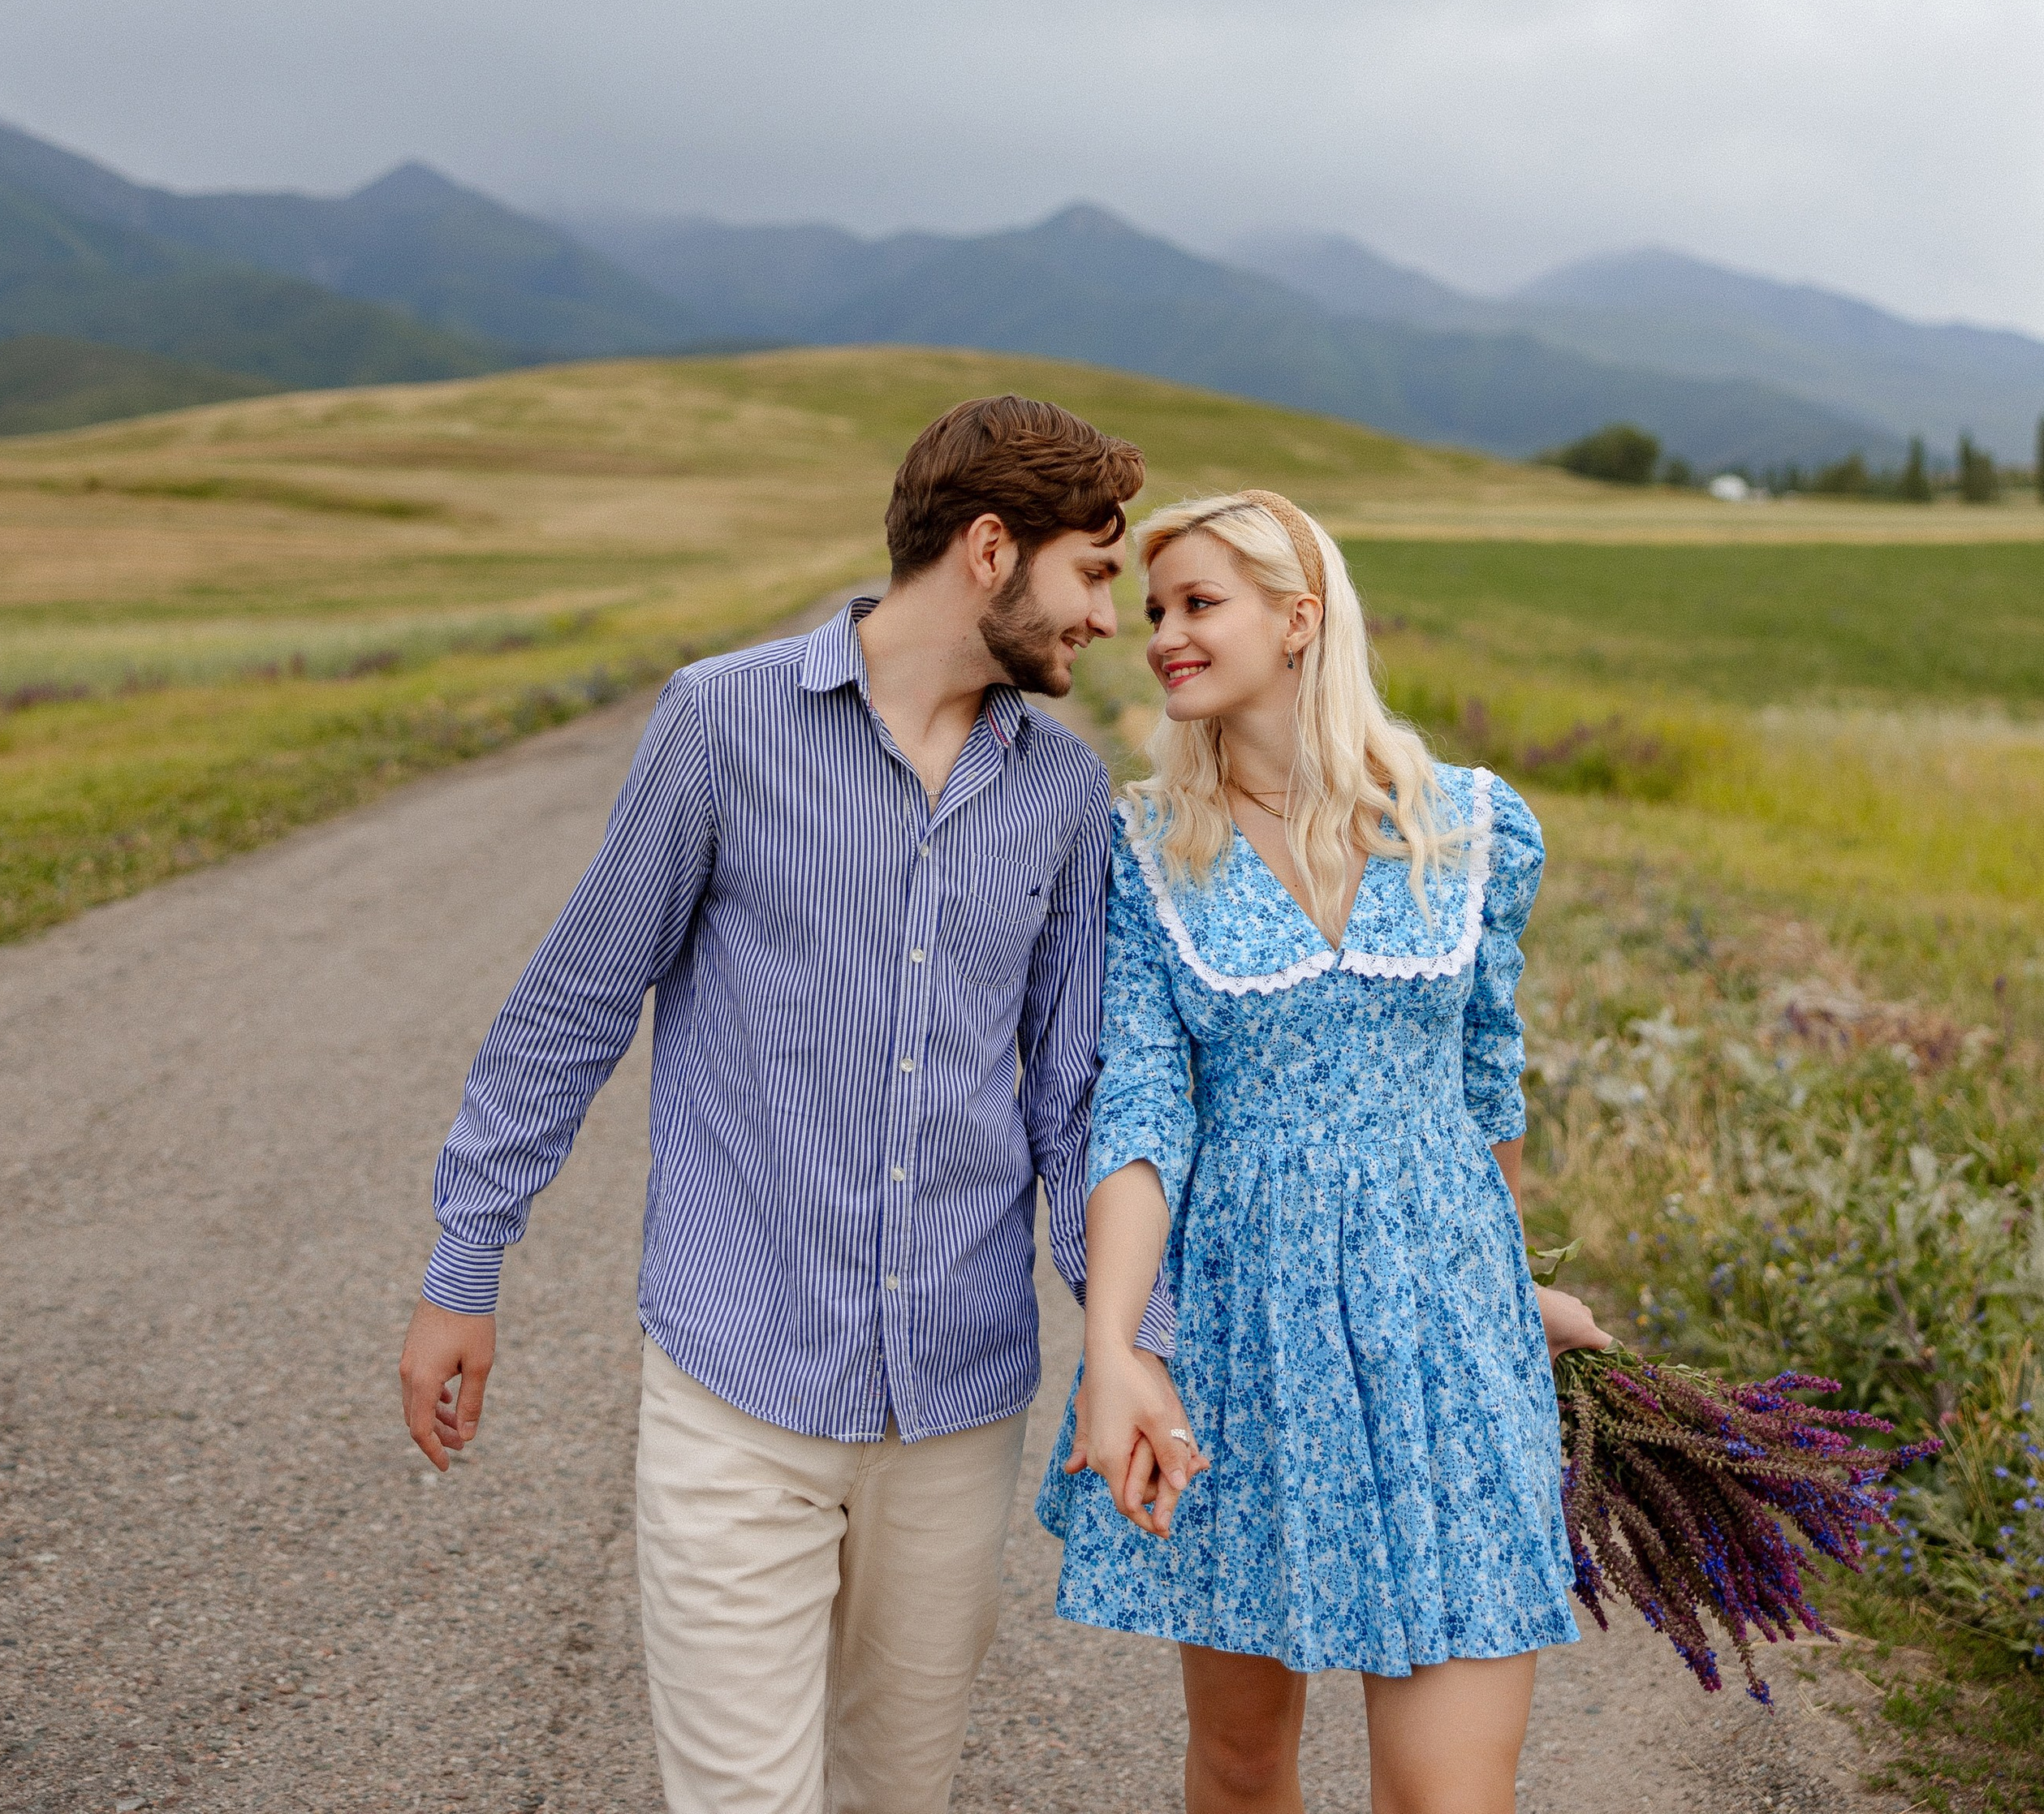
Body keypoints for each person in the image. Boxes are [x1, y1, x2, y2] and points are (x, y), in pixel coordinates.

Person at [398, 394, 1146, 1814]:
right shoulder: (721, 723)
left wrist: (1136, 1348)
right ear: (992, 548)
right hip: (738, 1393)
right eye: (1093, 571)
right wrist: (464, 1265)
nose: (1107, 617)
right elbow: (574, 1004)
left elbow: (1078, 1102)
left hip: (958, 1407)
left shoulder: (1063, 794)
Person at [1038, 489, 1611, 1814]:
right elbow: (1138, 1114)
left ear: (1300, 622)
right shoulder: (1143, 851)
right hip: (1251, 1337)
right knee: (1244, 1768)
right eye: (1158, 609)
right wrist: (1120, 1348)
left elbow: (1487, 1085)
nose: (1165, 634)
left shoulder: (1468, 826)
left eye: (1198, 605)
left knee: (1447, 1799)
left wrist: (1511, 1290)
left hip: (1448, 1336)